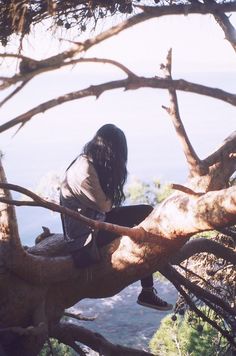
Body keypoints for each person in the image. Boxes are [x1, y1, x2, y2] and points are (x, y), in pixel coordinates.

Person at [60, 123, 172, 311]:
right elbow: (105, 206)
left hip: (93, 223)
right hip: (85, 240)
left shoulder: (87, 161)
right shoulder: (86, 170)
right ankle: (147, 291)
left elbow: (104, 208)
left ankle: (148, 290)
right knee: (141, 226)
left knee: (145, 211)